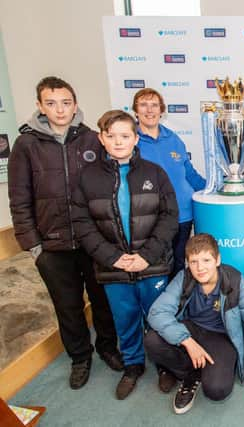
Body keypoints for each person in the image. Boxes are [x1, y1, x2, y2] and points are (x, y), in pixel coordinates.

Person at [7, 76, 122, 389]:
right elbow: (19, 199)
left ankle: (108, 348)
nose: (60, 109)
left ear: (75, 103)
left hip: (93, 241)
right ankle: (80, 357)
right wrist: (34, 246)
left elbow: (107, 189)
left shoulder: (91, 140)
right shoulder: (26, 145)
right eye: (52, 103)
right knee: (68, 305)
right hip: (52, 245)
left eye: (66, 102)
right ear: (40, 106)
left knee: (102, 300)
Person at [72, 109, 178, 399]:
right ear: (101, 139)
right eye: (111, 136)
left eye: (125, 136)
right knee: (125, 318)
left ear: (135, 138)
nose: (118, 142)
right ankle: (132, 365)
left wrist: (147, 255)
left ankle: (165, 365)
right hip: (113, 269)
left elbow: (170, 217)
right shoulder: (87, 178)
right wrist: (112, 257)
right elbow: (82, 223)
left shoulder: (155, 173)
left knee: (159, 317)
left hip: (152, 265)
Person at [144, 233, 244, 414]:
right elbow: (156, 313)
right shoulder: (184, 278)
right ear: (188, 263)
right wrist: (187, 341)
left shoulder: (235, 281)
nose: (200, 268)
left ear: (217, 260)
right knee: (151, 340)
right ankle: (191, 375)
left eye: (206, 260)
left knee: (217, 390)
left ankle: (202, 370)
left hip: (222, 337)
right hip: (191, 330)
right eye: (194, 262)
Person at [132, 88, 205, 281]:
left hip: (183, 215)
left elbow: (189, 174)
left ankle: (176, 308)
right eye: (143, 105)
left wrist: (216, 188)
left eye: (154, 105)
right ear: (135, 111)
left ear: (161, 110)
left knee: (179, 266)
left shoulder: (173, 139)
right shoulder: (131, 142)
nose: (149, 110)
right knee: (155, 270)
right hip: (152, 218)